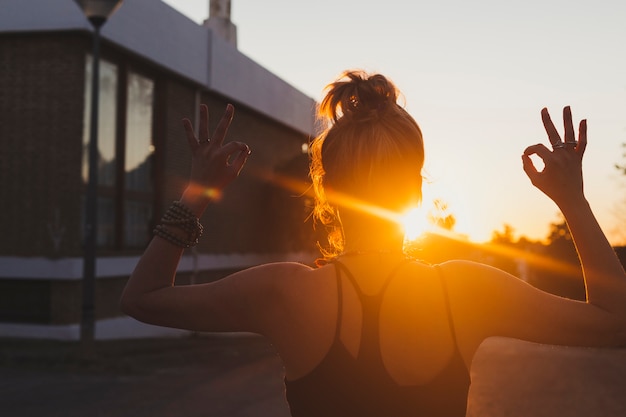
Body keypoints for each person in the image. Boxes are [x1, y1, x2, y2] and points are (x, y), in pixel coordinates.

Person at [121, 70, 626, 417]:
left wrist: (197, 192)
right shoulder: (467, 291)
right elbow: (614, 323)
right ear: (417, 188)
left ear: (325, 189)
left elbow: (142, 298)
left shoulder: (286, 293)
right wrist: (573, 202)